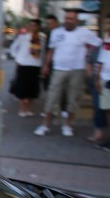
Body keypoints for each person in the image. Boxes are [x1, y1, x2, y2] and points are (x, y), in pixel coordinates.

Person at [35, 9, 101, 137]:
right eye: (66, 18)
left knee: (73, 98)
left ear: (76, 20)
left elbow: (98, 44)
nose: (68, 21)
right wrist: (46, 65)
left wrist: (89, 60)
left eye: (71, 18)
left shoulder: (84, 33)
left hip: (77, 70)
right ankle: (45, 125)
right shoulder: (56, 32)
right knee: (52, 97)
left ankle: (67, 125)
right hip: (59, 69)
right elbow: (51, 50)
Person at [8, 18, 43, 117]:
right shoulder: (23, 37)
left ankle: (29, 108)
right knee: (22, 88)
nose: (32, 27)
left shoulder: (41, 39)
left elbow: (43, 53)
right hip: (24, 64)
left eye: (35, 26)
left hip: (35, 65)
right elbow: (13, 48)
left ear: (38, 27)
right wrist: (18, 58)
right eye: (31, 25)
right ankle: (22, 109)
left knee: (33, 89)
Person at [89, 14, 110, 147]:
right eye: (107, 23)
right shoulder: (106, 41)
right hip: (105, 79)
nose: (108, 26)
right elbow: (101, 61)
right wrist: (97, 79)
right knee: (107, 111)